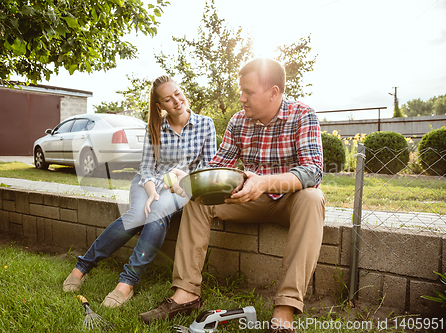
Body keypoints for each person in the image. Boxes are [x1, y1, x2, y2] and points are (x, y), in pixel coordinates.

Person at [139, 58, 325, 333]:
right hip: (247, 198)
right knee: (197, 201)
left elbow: (313, 170)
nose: (241, 98)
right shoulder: (239, 121)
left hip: (289, 199)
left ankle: (284, 311)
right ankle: (185, 294)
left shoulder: (302, 115)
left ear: (274, 92)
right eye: (241, 91)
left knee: (313, 198)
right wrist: (188, 180)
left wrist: (264, 183)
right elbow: (217, 167)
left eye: (248, 92)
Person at [62, 75, 217, 309]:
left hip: (180, 187)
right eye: (168, 99)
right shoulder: (154, 127)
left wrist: (179, 178)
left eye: (177, 93)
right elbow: (146, 167)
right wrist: (152, 191)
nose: (176, 101)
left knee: (155, 215)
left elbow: (208, 168)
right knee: (136, 215)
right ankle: (82, 267)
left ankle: (126, 283)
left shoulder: (205, 124)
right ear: (160, 106)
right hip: (147, 182)